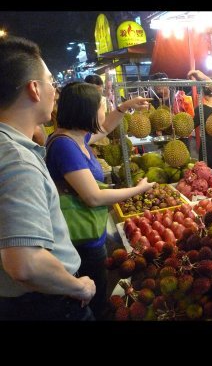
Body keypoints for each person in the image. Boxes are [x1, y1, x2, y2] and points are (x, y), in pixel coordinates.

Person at [0, 35, 96, 320]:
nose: (55, 90)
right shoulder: (17, 161)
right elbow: (25, 264)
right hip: (46, 305)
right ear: (34, 89)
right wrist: (77, 286)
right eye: (51, 82)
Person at [45, 82, 155, 319]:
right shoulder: (65, 146)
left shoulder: (76, 138)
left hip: (90, 232)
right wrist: (136, 190)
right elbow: (93, 196)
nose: (104, 111)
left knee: (100, 286)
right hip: (80, 237)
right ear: (87, 110)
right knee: (94, 297)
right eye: (102, 106)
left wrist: (125, 107)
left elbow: (104, 128)